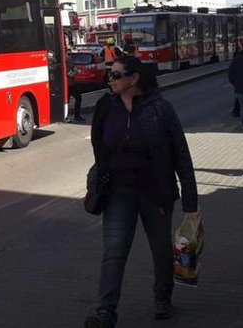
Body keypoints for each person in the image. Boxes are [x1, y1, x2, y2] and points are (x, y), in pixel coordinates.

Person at [85, 56, 199, 327]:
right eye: (109, 75)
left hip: (155, 192)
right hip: (118, 192)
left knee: (160, 250)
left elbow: (180, 154)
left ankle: (162, 297)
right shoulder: (105, 106)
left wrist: (190, 203)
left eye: (115, 75)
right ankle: (105, 311)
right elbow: (99, 146)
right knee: (113, 252)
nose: (109, 80)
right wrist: (100, 178)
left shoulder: (159, 108)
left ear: (133, 78)